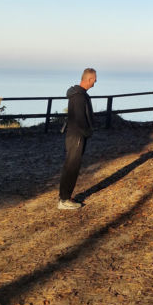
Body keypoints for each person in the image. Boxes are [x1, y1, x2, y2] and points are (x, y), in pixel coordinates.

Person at [58, 67, 97, 211]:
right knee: (71, 167)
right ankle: (64, 199)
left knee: (72, 165)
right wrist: (87, 132)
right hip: (77, 136)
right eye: (94, 80)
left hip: (75, 135)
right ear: (89, 79)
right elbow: (80, 118)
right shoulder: (79, 96)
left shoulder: (78, 94)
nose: (95, 82)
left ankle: (65, 197)